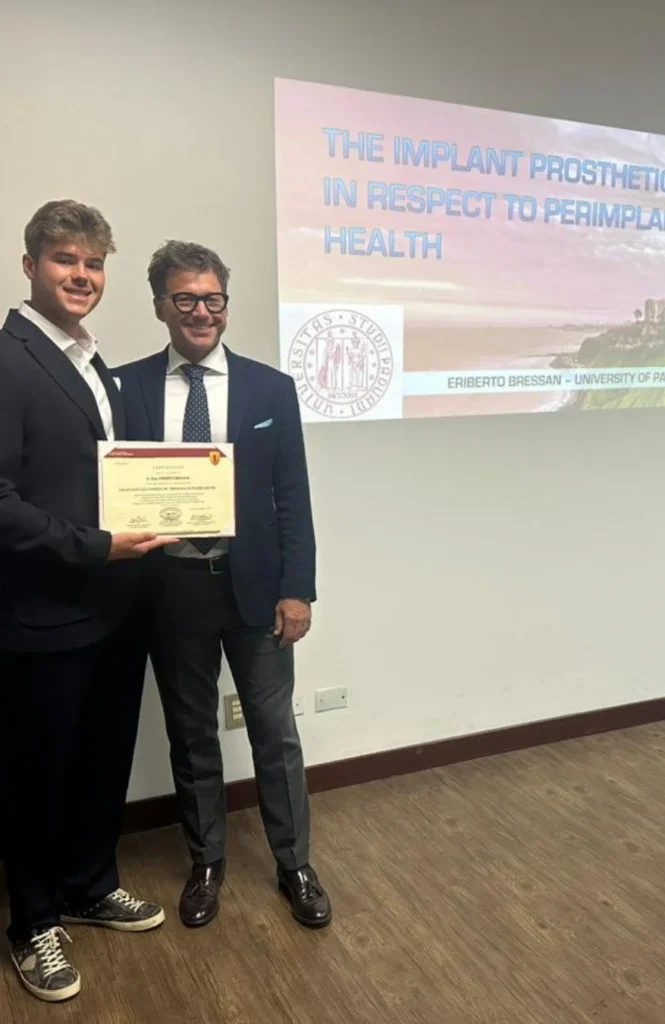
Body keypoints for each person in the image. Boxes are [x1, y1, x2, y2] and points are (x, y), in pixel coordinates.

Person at [115, 240, 331, 931]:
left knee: (275, 732)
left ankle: (295, 864)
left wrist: (298, 589)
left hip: (257, 590)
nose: (201, 312)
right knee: (191, 734)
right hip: (171, 589)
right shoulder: (123, 387)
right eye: (185, 298)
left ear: (226, 306)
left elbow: (292, 496)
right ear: (160, 306)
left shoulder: (271, 389)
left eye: (213, 299)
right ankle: (206, 861)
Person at [0, 201, 173, 1004]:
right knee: (38, 775)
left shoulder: (92, 362)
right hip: (43, 612)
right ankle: (34, 922)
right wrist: (94, 546)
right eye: (65, 259)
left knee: (102, 759)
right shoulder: (8, 359)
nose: (82, 275)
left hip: (114, 608)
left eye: (94, 263)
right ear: (30, 265)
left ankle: (89, 884)